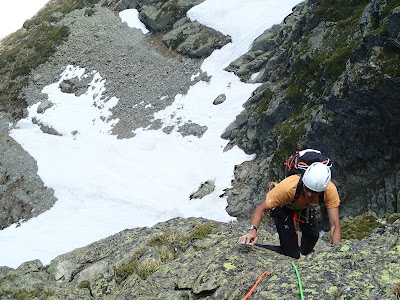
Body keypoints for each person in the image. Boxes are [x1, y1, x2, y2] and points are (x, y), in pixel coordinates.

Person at [238, 162, 341, 259]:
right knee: (291, 254)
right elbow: (261, 209)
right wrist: (252, 231)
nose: (309, 194)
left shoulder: (329, 191)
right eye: (308, 189)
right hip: (284, 208)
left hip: (306, 207)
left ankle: (304, 256)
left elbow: (335, 225)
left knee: (313, 236)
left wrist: (337, 255)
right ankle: (255, 248)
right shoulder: (288, 188)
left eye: (314, 192)